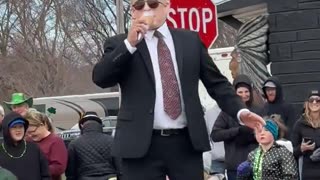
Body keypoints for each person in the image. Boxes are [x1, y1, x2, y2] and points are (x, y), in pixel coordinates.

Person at [92, 0, 265, 179]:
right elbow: (101, 78)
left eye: (152, 4)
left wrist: (240, 111)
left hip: (185, 142)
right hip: (140, 145)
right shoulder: (120, 44)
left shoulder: (189, 40)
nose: (146, 9)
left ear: (167, 6)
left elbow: (217, 83)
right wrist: (129, 45)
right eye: (138, 5)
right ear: (133, 12)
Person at [211, 75, 259, 180]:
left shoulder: (257, 111)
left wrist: (254, 134)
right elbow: (215, 135)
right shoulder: (226, 112)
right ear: (235, 93)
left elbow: (268, 132)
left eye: (246, 92)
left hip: (256, 164)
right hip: (235, 166)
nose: (244, 95)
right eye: (240, 92)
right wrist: (237, 131)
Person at [237, 115, 298, 180]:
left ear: (273, 133)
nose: (262, 133)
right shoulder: (252, 155)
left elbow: (291, 177)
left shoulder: (283, 153)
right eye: (259, 131)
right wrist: (242, 176)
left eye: (266, 130)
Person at [66, 112, 120, 180]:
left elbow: (70, 172)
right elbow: (119, 166)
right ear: (100, 125)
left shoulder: (74, 144)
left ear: (82, 126)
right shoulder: (111, 140)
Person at [0, 112, 50, 179]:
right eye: (14, 127)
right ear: (6, 129)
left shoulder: (34, 149)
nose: (18, 130)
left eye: (21, 126)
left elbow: (46, 175)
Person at [25, 109, 67, 180]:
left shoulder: (56, 141)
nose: (30, 135)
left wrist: (37, 170)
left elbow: (59, 167)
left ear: (42, 125)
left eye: (32, 131)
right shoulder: (28, 141)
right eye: (28, 133)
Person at [291, 89, 320, 180]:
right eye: (311, 100)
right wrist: (302, 148)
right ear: (307, 103)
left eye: (318, 100)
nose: (314, 102)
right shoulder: (299, 124)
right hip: (307, 171)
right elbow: (293, 151)